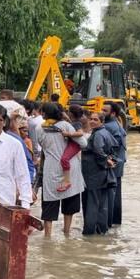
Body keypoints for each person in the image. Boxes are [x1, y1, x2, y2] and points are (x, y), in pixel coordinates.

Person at [36, 102, 87, 238]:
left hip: (50, 168)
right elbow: (83, 143)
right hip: (70, 168)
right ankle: (66, 232)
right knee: (69, 203)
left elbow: (41, 145)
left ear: (44, 114)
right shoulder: (66, 126)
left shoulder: (39, 128)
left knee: (49, 202)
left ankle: (47, 236)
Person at [81, 112, 118, 235]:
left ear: (102, 122)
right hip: (102, 174)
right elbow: (113, 150)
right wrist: (109, 161)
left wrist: (106, 161)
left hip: (94, 174)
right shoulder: (105, 133)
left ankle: (89, 231)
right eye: (90, 119)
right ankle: (101, 229)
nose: (92, 121)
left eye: (95, 120)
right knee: (102, 203)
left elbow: (98, 150)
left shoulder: (98, 135)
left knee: (92, 203)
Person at [102, 103, 127, 227]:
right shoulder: (117, 123)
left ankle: (108, 223)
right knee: (116, 195)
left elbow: (108, 148)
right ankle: (115, 222)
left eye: (104, 110)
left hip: (112, 164)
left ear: (113, 114)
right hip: (119, 163)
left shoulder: (107, 127)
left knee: (109, 196)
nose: (102, 112)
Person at [57, 105, 87, 192]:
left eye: (68, 111)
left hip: (75, 144)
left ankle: (67, 181)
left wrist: (68, 134)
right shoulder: (74, 122)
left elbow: (80, 133)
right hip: (73, 143)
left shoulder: (77, 123)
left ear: (70, 113)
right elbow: (71, 123)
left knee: (64, 159)